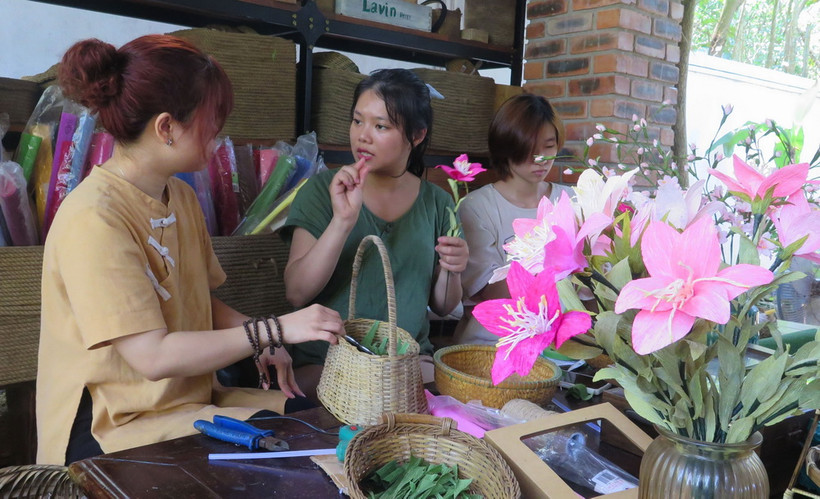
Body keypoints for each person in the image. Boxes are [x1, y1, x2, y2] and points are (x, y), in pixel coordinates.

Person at [36, 35, 345, 466]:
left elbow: (196, 297)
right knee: (288, 463)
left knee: (309, 430)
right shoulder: (94, 218)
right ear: (166, 127)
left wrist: (259, 336)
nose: (219, 135)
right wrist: (274, 331)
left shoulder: (179, 197)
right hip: (111, 422)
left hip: (184, 400)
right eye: (211, 122)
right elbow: (153, 357)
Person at [282, 68, 469, 399]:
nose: (362, 136)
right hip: (328, 363)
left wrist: (453, 270)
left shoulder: (438, 203)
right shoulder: (322, 190)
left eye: (380, 126)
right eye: (358, 121)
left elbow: (442, 306)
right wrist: (342, 221)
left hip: (405, 366)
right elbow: (296, 293)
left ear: (417, 135)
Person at [453, 93, 574, 345]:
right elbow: (489, 292)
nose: (540, 159)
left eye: (549, 146)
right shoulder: (478, 207)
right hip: (494, 344)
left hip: (565, 347)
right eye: (528, 150)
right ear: (506, 147)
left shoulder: (571, 201)